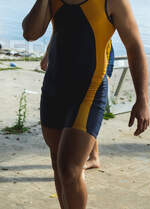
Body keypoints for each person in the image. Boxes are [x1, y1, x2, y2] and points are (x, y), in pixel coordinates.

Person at [23, 0, 150, 209]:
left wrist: (142, 99)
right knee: (58, 166)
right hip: (53, 88)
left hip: (89, 92)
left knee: (70, 169)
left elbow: (135, 48)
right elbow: (31, 33)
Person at [41, 40, 115, 170]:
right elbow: (58, 29)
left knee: (89, 105)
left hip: (101, 56)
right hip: (75, 59)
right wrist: (48, 54)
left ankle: (92, 158)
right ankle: (93, 157)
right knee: (81, 110)